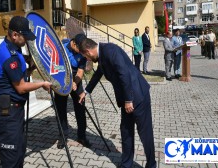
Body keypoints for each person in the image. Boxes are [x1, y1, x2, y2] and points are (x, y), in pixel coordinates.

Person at [78, 38, 156, 168]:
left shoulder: (111, 51)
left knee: (145, 133)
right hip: (127, 99)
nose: (88, 59)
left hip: (137, 95)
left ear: (88, 51)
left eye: (86, 56)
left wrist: (128, 100)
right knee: (126, 132)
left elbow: (124, 74)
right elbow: (98, 74)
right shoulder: (102, 54)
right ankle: (126, 164)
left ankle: (152, 164)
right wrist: (86, 91)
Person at [0, 16, 52, 168]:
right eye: (24, 36)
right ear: (14, 35)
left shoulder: (14, 48)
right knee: (11, 161)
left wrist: (31, 67)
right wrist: (42, 84)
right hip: (7, 115)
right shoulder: (8, 55)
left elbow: (20, 73)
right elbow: (20, 87)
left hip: (14, 112)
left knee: (18, 155)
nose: (26, 40)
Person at [54, 33, 90, 149]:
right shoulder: (61, 46)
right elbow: (54, 67)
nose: (81, 52)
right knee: (61, 108)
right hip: (61, 78)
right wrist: (66, 81)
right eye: (79, 48)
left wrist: (75, 82)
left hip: (75, 79)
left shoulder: (82, 53)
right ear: (73, 43)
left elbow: (80, 72)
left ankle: (82, 136)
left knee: (80, 105)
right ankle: (63, 136)